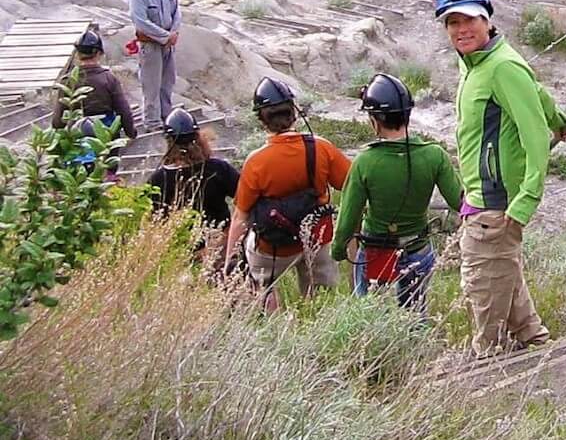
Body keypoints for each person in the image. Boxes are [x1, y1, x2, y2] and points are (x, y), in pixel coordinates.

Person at [437, 0, 566, 356]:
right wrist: (557, 117)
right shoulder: (474, 63)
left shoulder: (500, 67)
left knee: (482, 297)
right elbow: (537, 92)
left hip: (496, 210)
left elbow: (533, 140)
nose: (462, 29)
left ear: (488, 19)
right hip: (481, 202)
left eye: (469, 19)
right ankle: (540, 350)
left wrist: (525, 202)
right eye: (453, 21)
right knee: (509, 296)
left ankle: (487, 376)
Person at [332, 72, 463, 312]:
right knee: (415, 315)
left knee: (370, 316)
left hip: (376, 253)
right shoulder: (435, 156)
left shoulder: (365, 162)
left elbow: (348, 219)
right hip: (418, 247)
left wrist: (338, 249)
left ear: (375, 120)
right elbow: (459, 201)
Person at [223, 76, 351, 310]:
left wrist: (230, 259)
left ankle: (272, 322)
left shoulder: (256, 161)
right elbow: (352, 186)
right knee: (322, 301)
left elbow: (240, 216)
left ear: (262, 119)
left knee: (263, 286)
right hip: (318, 238)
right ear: (294, 112)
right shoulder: (321, 147)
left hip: (273, 245)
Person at [148, 107, 238, 277]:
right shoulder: (218, 169)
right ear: (198, 138)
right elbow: (247, 200)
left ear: (169, 141)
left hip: (181, 255)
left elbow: (152, 223)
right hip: (223, 247)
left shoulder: (158, 179)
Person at [127, 0, 181, 129]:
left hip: (168, 43)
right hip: (150, 44)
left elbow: (176, 9)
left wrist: (174, 32)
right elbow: (141, 22)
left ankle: (167, 117)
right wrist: (165, 36)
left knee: (168, 81)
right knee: (151, 85)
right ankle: (151, 121)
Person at [51, 28, 137, 142]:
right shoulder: (109, 78)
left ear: (77, 54)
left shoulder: (68, 81)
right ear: (98, 53)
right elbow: (123, 110)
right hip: (105, 135)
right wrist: (131, 133)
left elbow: (58, 120)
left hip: (78, 137)